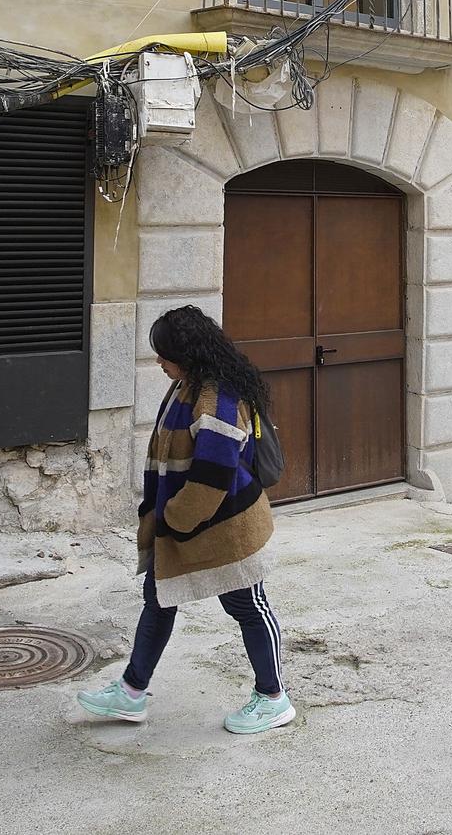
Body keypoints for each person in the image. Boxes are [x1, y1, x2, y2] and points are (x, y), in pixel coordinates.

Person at [74, 304, 294, 734]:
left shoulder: (216, 398)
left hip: (226, 528)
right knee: (158, 600)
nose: (159, 362)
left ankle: (273, 699)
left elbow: (212, 478)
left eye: (163, 354)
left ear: (187, 355)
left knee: (249, 606)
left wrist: (173, 519)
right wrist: (166, 522)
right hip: (180, 527)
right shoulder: (187, 384)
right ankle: (131, 693)